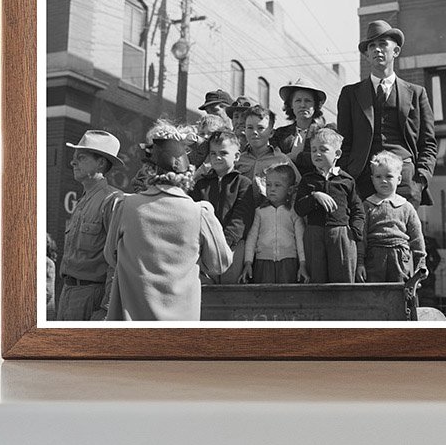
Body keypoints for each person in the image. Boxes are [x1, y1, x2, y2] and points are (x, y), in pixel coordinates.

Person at [105, 120, 232, 321]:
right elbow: (220, 264)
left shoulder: (125, 207)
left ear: (148, 169)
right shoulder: (200, 212)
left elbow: (110, 257)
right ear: (186, 172)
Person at [336, 20, 437, 205]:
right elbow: (344, 141)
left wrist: (420, 179)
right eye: (372, 46)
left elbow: (428, 142)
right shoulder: (350, 94)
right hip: (363, 178)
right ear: (367, 55)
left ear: (395, 51)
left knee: (402, 233)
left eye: (383, 44)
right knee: (364, 232)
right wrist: (348, 176)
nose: (377, 50)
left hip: (405, 179)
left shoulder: (416, 93)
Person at [56, 130, 124, 321]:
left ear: (101, 163)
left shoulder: (113, 201)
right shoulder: (83, 201)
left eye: (81, 157)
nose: (72, 162)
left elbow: (116, 262)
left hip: (91, 298)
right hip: (68, 294)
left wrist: (106, 309)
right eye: (74, 157)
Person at [293, 127, 365, 284]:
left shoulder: (346, 181)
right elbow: (299, 208)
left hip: (340, 234)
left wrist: (353, 234)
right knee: (316, 279)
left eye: (323, 149)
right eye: (313, 150)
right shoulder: (308, 180)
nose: (317, 154)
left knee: (342, 279)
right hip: (314, 233)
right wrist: (314, 196)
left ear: (337, 154)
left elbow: (358, 210)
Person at [190, 129, 256, 283]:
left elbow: (241, 218)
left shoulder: (243, 183)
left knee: (230, 289)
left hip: (233, 247)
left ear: (237, 156)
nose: (217, 157)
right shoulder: (201, 184)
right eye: (213, 153)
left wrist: (224, 243)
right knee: (204, 289)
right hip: (204, 247)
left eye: (223, 153)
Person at [362, 151, 428, 286]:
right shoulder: (367, 205)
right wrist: (359, 263)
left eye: (389, 176)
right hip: (374, 257)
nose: (383, 180)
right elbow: (361, 238)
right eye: (378, 176)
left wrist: (420, 265)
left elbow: (417, 239)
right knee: (374, 294)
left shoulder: (406, 207)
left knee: (400, 294)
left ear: (399, 179)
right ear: (372, 179)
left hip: (400, 257)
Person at [241, 162, 307, 284]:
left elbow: (300, 240)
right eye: (268, 185)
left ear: (290, 189)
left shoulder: (294, 212)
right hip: (263, 263)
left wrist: (302, 264)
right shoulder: (259, 212)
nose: (271, 189)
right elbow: (251, 239)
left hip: (289, 263)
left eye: (277, 185)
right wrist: (248, 263)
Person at [270, 78, 330, 174]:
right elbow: (274, 159)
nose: (302, 105)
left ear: (315, 105)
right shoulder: (279, 134)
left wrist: (295, 157)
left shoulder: (323, 134)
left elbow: (324, 158)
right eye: (298, 100)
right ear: (291, 105)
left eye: (308, 101)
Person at [237, 105, 283, 192]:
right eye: (250, 128)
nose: (254, 132)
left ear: (271, 133)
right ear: (245, 130)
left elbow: (295, 188)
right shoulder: (238, 160)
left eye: (260, 128)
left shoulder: (282, 161)